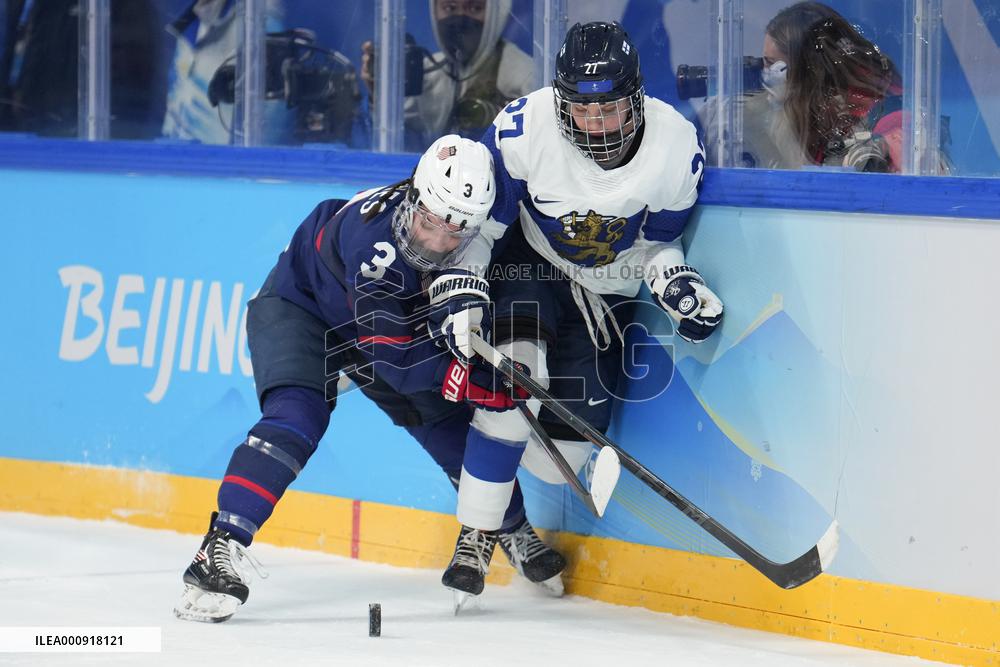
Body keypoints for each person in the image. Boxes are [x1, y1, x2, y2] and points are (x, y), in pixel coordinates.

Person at [172, 135, 555, 622]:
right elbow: (395, 362)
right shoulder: (375, 245)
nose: (436, 244)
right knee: (297, 416)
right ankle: (218, 548)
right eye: (429, 223)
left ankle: (511, 526)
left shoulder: (468, 237)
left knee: (446, 426)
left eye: (455, 234)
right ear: (414, 197)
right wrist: (479, 384)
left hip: (382, 327)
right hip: (305, 309)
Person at [427, 21, 724, 599]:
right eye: (582, 111)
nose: (596, 125)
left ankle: (509, 488)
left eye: (610, 109)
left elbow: (658, 244)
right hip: (530, 263)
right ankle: (477, 533)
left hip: (607, 290)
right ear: (560, 104)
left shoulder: (675, 146)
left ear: (636, 97)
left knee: (562, 452)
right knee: (512, 377)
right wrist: (461, 282)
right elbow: (484, 226)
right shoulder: (523, 128)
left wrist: (674, 282)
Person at [703, 2, 910, 172]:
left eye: (771, 64)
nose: (766, 76)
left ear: (806, 71)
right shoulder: (816, 112)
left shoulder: (887, 121)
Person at [361, 0, 534, 151]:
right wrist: (380, 96)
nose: (460, 18)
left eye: (475, 8)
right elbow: (402, 140)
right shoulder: (430, 72)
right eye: (450, 7)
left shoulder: (525, 76)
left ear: (497, 12)